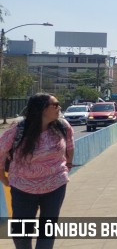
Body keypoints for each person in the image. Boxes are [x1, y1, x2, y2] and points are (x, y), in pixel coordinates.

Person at [0, 93, 75, 249]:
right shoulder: (18, 129)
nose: (59, 108)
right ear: (42, 109)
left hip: (55, 185)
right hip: (23, 188)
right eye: (55, 105)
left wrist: (67, 165)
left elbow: (70, 146)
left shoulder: (62, 126)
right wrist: (3, 177)